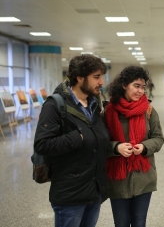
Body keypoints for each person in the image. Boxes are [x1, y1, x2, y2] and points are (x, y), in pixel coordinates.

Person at [33, 54, 110, 227]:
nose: (101, 82)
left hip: (93, 191)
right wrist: (77, 137)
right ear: (80, 77)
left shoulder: (94, 105)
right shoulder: (55, 105)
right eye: (96, 77)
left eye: (101, 77)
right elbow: (42, 144)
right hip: (70, 195)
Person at [104, 65, 164, 227]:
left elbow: (158, 138)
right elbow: (99, 142)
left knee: (139, 222)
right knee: (121, 223)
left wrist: (145, 147)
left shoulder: (149, 110)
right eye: (136, 86)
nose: (140, 91)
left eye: (143, 87)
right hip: (117, 178)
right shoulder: (108, 112)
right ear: (124, 85)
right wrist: (116, 147)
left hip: (143, 177)